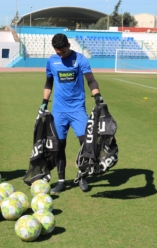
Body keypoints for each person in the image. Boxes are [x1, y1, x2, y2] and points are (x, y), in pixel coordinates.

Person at [39, 33, 104, 194]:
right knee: (59, 146)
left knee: (86, 144)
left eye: (63, 51)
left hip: (77, 110)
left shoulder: (80, 59)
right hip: (59, 111)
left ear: (69, 45)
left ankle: (82, 176)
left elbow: (91, 80)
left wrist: (97, 97)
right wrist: (44, 103)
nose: (61, 55)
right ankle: (61, 181)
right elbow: (48, 83)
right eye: (58, 52)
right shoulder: (51, 61)